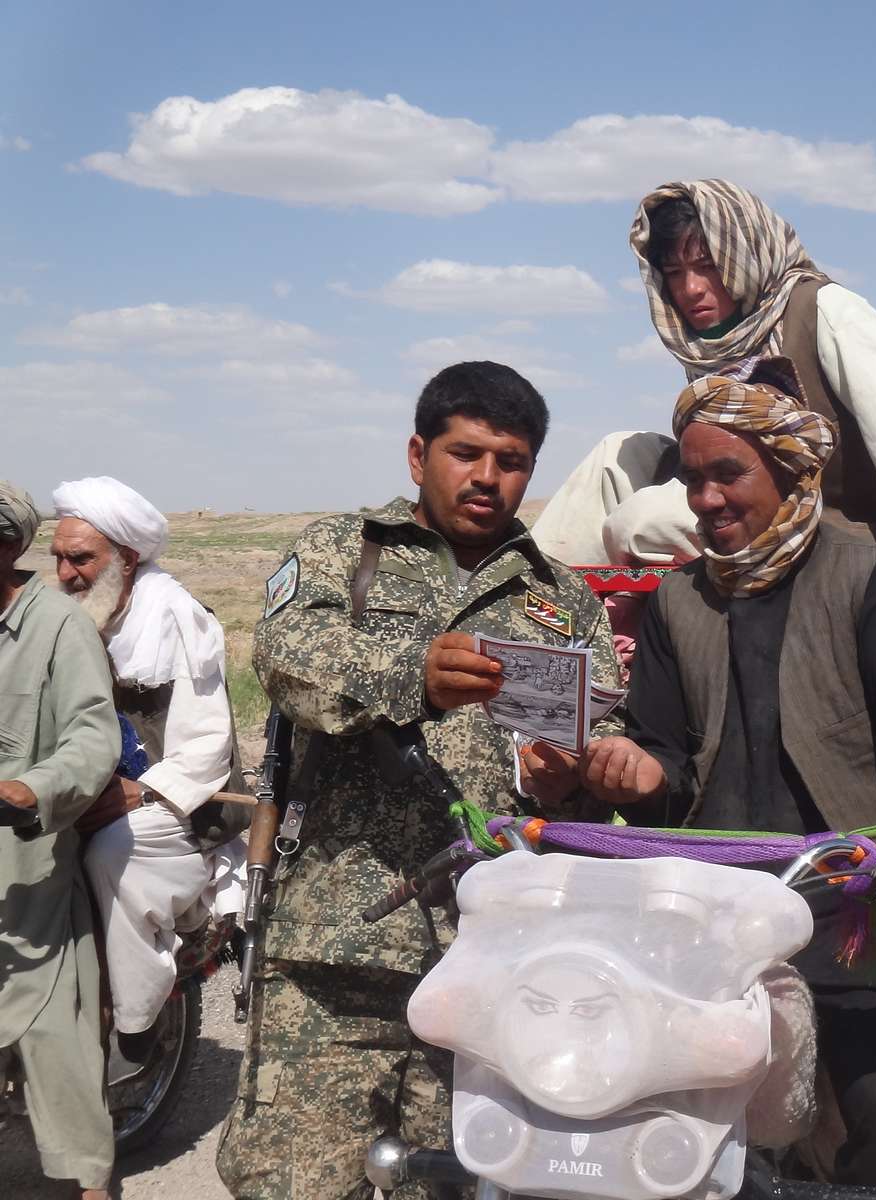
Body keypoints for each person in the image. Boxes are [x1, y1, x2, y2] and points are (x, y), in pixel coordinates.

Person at [575, 357, 876, 1191]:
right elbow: (665, 761)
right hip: (713, 921)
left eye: (728, 475)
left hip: (853, 919)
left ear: (790, 471)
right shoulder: (677, 603)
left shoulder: (869, 580)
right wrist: (633, 773)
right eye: (694, 480)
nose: (706, 500)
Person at [216, 362, 623, 1199]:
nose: (487, 477)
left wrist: (576, 774)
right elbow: (289, 660)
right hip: (335, 954)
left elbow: (598, 734)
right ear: (417, 454)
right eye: (466, 452)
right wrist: (415, 674)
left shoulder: (565, 600)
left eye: (510, 460)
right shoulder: (343, 550)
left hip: (493, 966)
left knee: (463, 1186)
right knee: (293, 1185)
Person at [532, 177, 876, 601]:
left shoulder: (825, 312)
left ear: (745, 254)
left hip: (843, 527)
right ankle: (533, 607)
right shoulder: (712, 344)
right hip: (739, 507)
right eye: (675, 272)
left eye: (708, 267)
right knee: (618, 453)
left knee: (645, 522)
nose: (690, 289)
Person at [49, 475, 247, 1065]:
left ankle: (136, 1022)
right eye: (58, 558)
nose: (64, 574)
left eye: (81, 559)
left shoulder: (175, 618)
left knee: (111, 854)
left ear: (127, 558)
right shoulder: (77, 617)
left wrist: (141, 792)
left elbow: (208, 744)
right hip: (91, 789)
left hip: (182, 805)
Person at [0, 481, 123, 1200]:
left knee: (53, 1040)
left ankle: (90, 1185)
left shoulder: (57, 626)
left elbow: (90, 735)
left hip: (29, 871)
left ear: (9, 547)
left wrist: (34, 788)